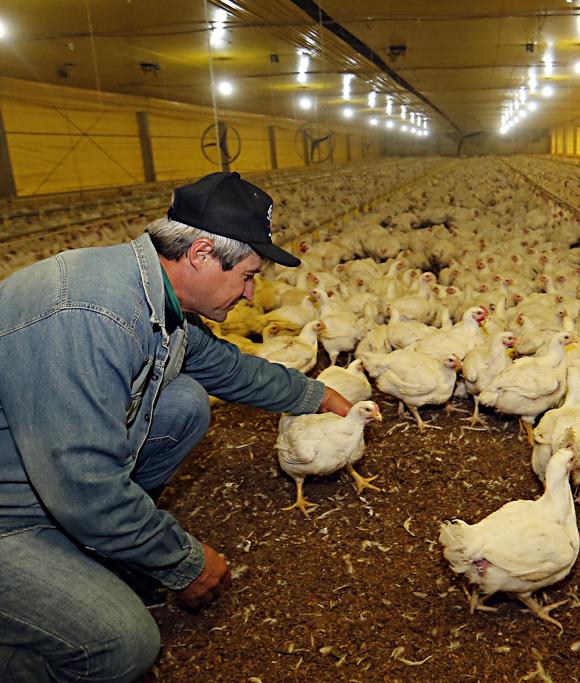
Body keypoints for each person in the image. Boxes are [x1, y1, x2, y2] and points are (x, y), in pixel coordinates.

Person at [0, 171, 352, 682]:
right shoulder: (89, 315)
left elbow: (224, 368)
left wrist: (315, 395)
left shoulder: (151, 296)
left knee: (184, 401)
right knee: (121, 646)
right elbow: (82, 482)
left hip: (33, 471)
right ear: (202, 253)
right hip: (17, 506)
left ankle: (96, 545)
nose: (252, 295)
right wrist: (179, 562)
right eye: (249, 276)